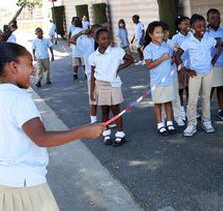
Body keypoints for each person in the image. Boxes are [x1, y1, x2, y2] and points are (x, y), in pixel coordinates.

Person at [0, 42, 104, 210]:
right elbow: (41, 138)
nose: (33, 70)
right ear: (13, 66)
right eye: (29, 64)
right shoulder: (19, 98)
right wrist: (85, 131)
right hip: (27, 185)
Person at [176, 14, 221, 137]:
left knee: (206, 98)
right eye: (199, 27)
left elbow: (219, 45)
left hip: (208, 72)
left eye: (204, 26)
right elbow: (177, 56)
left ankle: (206, 121)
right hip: (194, 74)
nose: (202, 29)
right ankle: (191, 124)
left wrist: (214, 60)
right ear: (191, 27)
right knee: (192, 99)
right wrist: (185, 70)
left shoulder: (209, 38)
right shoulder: (188, 41)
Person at [89, 28, 134, 146]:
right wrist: (92, 91)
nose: (107, 41)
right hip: (100, 85)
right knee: (104, 111)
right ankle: (106, 133)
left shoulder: (117, 51)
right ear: (97, 40)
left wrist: (119, 68)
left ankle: (120, 134)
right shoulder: (93, 56)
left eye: (108, 38)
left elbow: (130, 59)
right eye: (103, 39)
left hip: (113, 85)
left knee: (116, 110)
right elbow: (93, 76)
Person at [143, 22, 178, 136]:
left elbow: (171, 60)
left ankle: (169, 122)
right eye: (157, 32)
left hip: (168, 79)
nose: (160, 35)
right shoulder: (148, 49)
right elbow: (149, 65)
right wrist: (162, 58)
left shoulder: (166, 45)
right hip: (157, 81)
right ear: (150, 34)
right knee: (158, 103)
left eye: (162, 32)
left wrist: (176, 54)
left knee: (168, 101)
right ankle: (160, 124)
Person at [69, 25, 100, 124]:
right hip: (92, 74)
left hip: (104, 74)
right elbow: (71, 40)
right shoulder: (85, 42)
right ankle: (93, 120)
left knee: (106, 100)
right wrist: (81, 33)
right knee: (93, 98)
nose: (98, 34)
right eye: (96, 32)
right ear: (90, 33)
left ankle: (106, 120)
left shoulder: (102, 41)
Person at [205, 8, 223, 120]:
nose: (216, 20)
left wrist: (221, 42)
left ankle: (221, 109)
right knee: (209, 89)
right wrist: (216, 41)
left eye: (218, 17)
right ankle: (206, 111)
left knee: (221, 87)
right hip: (209, 64)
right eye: (213, 18)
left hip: (222, 63)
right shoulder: (204, 32)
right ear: (207, 19)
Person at [161, 22, 186, 127]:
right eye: (161, 32)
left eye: (165, 32)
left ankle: (178, 117)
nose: (163, 34)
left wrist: (180, 73)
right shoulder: (156, 45)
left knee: (175, 96)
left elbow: (178, 57)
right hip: (161, 76)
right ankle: (162, 118)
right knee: (162, 97)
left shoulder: (172, 43)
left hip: (173, 74)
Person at [172, 16, 191, 114]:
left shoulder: (191, 35)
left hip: (191, 66)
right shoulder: (175, 38)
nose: (188, 25)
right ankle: (181, 108)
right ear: (179, 26)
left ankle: (189, 108)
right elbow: (175, 54)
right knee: (181, 88)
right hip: (180, 66)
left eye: (189, 23)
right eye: (185, 23)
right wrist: (179, 68)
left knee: (189, 88)